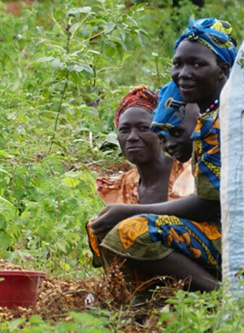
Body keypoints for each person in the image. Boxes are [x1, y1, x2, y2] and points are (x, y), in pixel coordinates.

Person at [88, 18, 237, 292]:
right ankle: (143, 301)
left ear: (223, 71)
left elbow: (209, 205)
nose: (183, 73)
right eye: (178, 64)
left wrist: (128, 211)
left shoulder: (219, 124)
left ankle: (223, 296)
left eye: (197, 64)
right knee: (107, 228)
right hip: (222, 230)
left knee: (131, 231)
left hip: (233, 237)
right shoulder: (212, 117)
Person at [86, 85, 194, 266]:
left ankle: (212, 289)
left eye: (143, 128)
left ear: (161, 133)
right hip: (148, 270)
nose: (132, 137)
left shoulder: (187, 172)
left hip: (197, 258)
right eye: (124, 130)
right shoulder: (123, 185)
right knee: (97, 226)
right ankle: (130, 292)